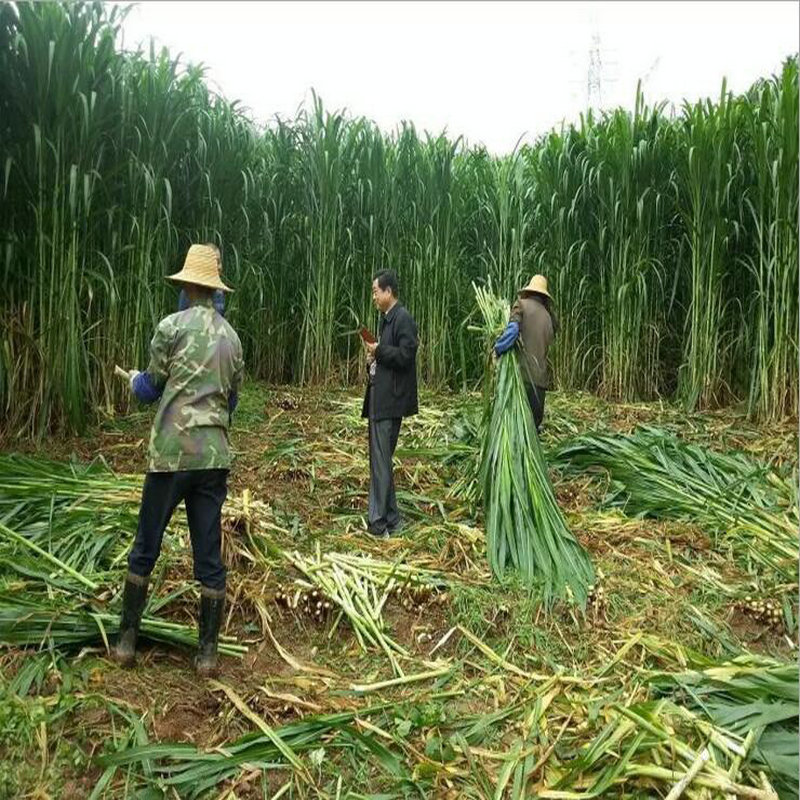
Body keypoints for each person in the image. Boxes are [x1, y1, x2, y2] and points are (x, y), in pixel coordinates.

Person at [113, 244, 244, 677]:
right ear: (215, 288)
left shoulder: (170, 327)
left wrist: (133, 381)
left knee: (146, 546)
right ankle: (206, 655)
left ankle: (127, 642)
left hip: (171, 456)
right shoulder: (232, 338)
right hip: (213, 458)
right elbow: (232, 402)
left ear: (188, 285)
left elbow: (152, 388)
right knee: (208, 553)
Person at [361, 269, 418, 537]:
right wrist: (373, 357)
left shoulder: (402, 318)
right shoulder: (387, 319)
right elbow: (387, 356)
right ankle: (393, 518)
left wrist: (379, 351)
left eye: (375, 291)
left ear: (388, 291)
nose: (373, 296)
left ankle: (378, 522)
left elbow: (407, 354)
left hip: (390, 401)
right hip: (379, 397)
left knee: (381, 461)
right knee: (381, 459)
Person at [493, 274, 558, 433]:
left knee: (513, 430)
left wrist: (498, 348)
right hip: (540, 384)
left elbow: (512, 332)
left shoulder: (521, 305)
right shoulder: (549, 317)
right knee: (532, 432)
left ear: (528, 291)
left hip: (521, 378)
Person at [178, 243, 225, 315]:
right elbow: (181, 318)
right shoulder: (188, 292)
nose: (219, 267)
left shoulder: (219, 292)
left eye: (219, 262)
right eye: (215, 262)